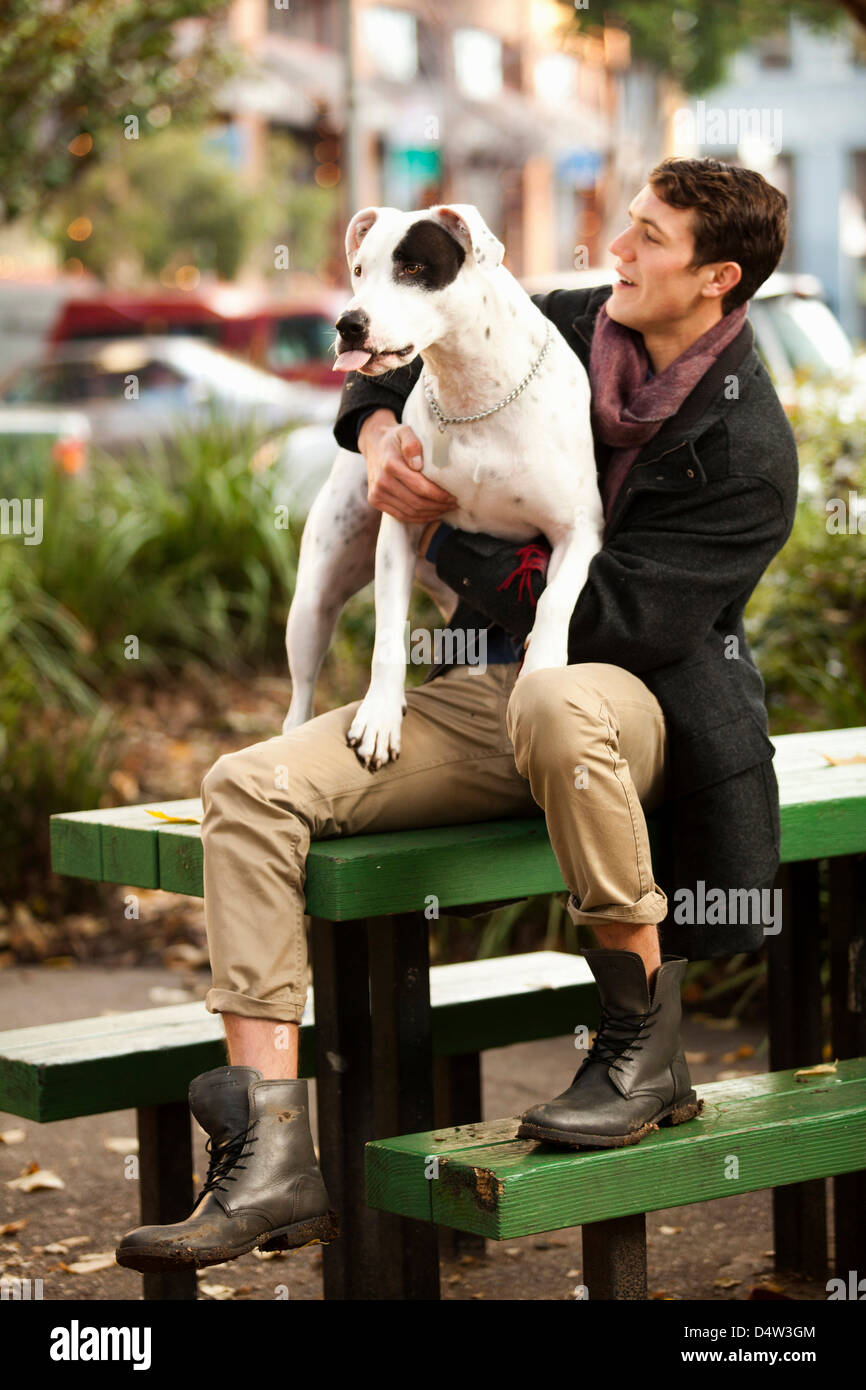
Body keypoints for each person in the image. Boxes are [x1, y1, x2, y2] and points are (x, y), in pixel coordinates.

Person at [116, 157, 798, 1270]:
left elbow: (627, 620)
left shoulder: (750, 450)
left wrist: (452, 535)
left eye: (646, 239)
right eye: (621, 225)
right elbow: (387, 351)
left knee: (559, 697)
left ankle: (639, 1047)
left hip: (639, 703)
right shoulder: (567, 318)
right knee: (247, 780)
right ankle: (272, 1147)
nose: (612, 251)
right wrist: (386, 454)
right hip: (485, 691)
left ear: (717, 278)